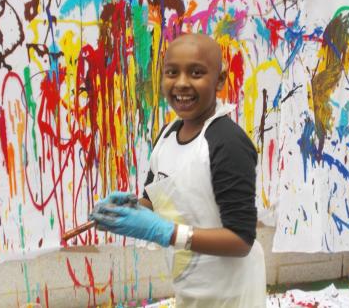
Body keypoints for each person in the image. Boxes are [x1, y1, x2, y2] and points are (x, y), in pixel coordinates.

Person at [91, 33, 266, 308]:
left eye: (196, 73)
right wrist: (129, 210)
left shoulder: (227, 143)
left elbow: (241, 240)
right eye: (172, 72)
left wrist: (166, 232)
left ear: (219, 80)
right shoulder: (167, 135)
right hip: (190, 288)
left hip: (231, 294)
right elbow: (154, 201)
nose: (182, 83)